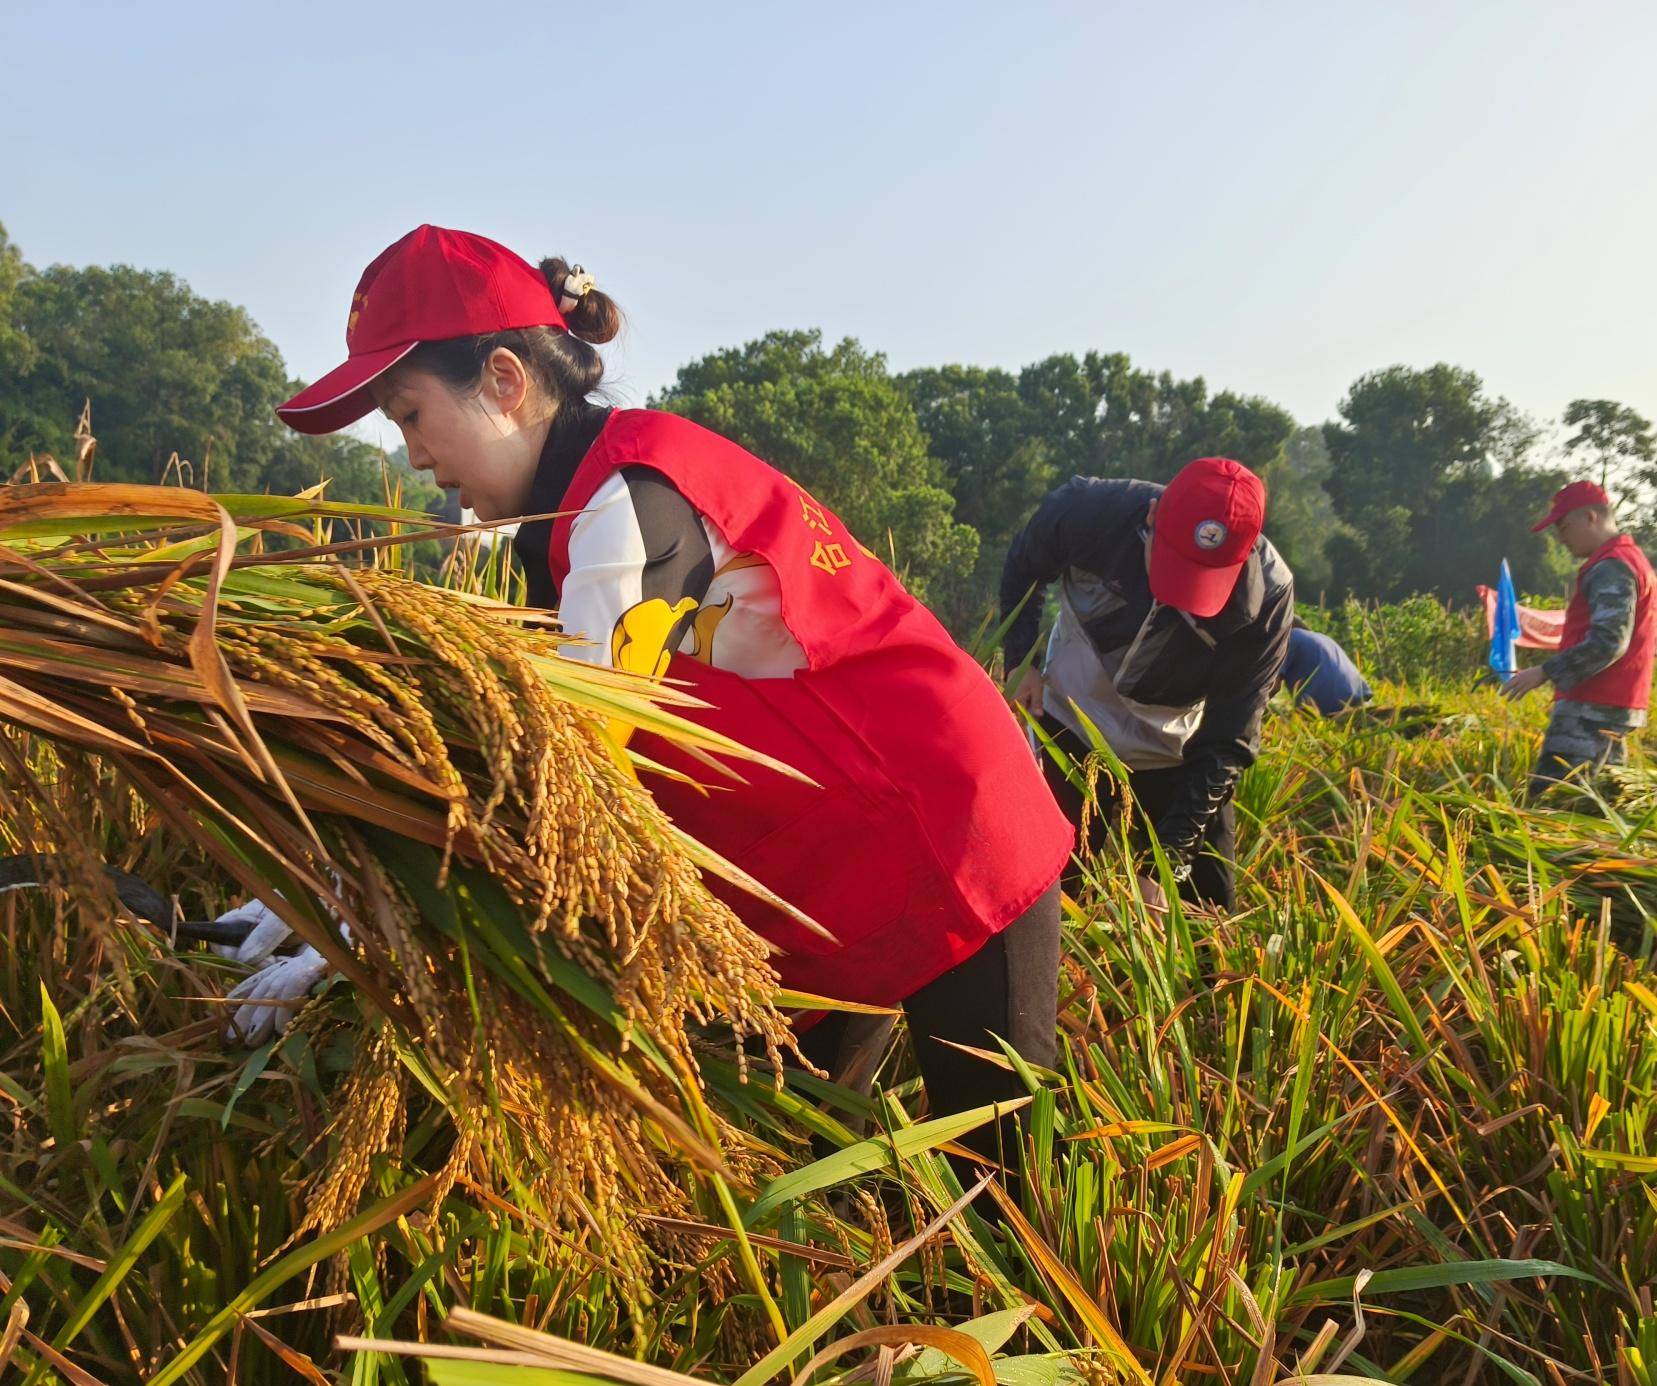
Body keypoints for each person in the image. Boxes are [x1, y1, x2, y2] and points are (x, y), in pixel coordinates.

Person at [218, 225, 1073, 1173]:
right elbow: (498, 749)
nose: (413, 454)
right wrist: (331, 894)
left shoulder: (631, 500)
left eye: (410, 414)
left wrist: (350, 926)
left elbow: (560, 781)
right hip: (821, 869)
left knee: (999, 1193)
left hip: (949, 825)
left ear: (504, 379)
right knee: (797, 1165)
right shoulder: (564, 530)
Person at [999, 463, 1294, 911]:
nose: (1181, 595)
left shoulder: (1268, 598)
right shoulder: (1089, 511)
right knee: (1048, 892)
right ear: (1152, 517)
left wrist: (1166, 864)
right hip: (1072, 712)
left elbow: (1229, 738)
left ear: (1244, 555)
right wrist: (1021, 661)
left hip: (1173, 743)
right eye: (1175, 564)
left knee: (1205, 913)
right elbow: (1023, 566)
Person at [1499, 479, 1657, 798]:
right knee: (1596, 810)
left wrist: (1545, 672)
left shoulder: (1611, 566)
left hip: (1591, 708)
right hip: (1614, 706)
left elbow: (1609, 641)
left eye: (1564, 527)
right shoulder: (1632, 560)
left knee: (1551, 805)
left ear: (1590, 517)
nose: (1561, 538)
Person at [1278, 628, 1372, 717]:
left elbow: (1271, 684)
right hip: (1364, 703)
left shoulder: (1287, 639)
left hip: (1329, 712)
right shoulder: (1322, 638)